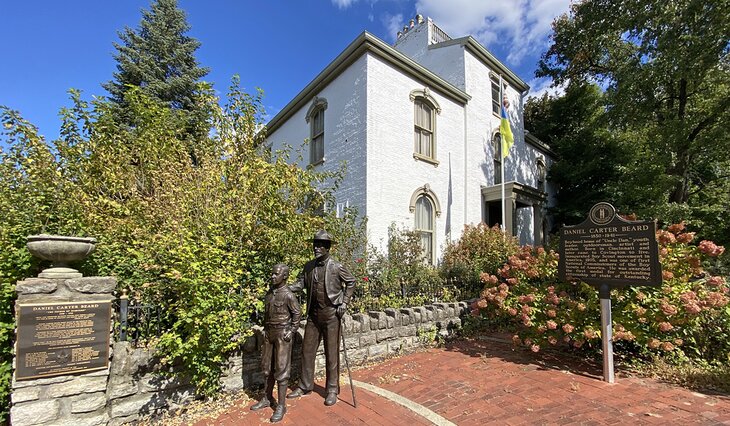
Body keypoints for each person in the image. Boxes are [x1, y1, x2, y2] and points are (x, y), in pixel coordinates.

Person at [287, 230, 356, 406]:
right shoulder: (308, 266)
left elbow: (351, 282)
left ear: (327, 248)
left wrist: (344, 302)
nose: (316, 248)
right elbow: (300, 284)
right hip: (313, 315)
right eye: (314, 245)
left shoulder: (336, 266)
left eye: (319, 245)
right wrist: (284, 287)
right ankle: (305, 385)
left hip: (332, 315)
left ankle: (332, 389)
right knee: (307, 351)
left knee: (331, 354)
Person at [250, 263, 301, 423]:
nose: (272, 276)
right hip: (269, 333)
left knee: (281, 369)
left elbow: (297, 314)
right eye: (272, 273)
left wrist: (291, 331)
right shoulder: (270, 294)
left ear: (284, 276)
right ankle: (267, 398)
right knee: (266, 367)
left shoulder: (288, 295)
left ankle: (281, 405)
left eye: (276, 274)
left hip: (282, 334)